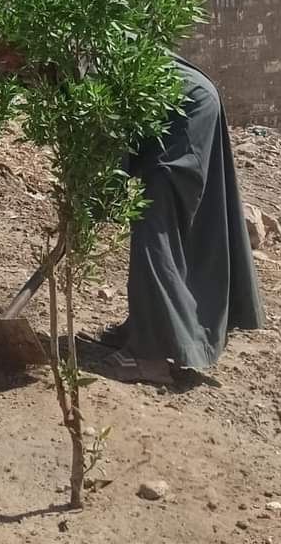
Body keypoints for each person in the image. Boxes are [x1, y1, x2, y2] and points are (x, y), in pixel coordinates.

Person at [101, 57, 265, 383]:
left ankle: (151, 358)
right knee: (164, 226)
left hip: (185, 117)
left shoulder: (75, 47)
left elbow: (110, 129)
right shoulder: (65, 45)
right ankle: (148, 327)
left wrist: (101, 196)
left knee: (154, 227)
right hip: (176, 113)